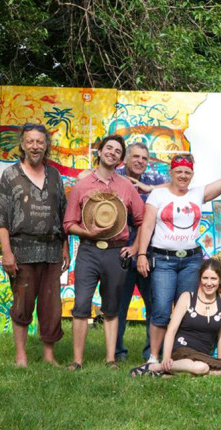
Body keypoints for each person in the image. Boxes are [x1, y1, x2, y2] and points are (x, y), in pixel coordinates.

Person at [136, 153, 221, 364]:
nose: (183, 176)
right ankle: (153, 357)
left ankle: (177, 353)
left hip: (191, 261)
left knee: (186, 310)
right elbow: (148, 225)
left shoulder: (197, 194)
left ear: (192, 175)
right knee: (161, 309)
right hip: (163, 260)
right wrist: (142, 254)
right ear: (171, 172)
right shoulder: (158, 195)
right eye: (179, 171)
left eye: (187, 172)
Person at [0, 123, 70, 367]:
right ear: (22, 145)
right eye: (30, 141)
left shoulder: (55, 175)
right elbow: (1, 219)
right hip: (21, 250)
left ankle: (48, 356)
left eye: (40, 141)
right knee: (22, 303)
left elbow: (63, 213)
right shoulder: (11, 175)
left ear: (46, 145)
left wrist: (65, 247)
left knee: (52, 306)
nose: (35, 146)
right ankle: (21, 356)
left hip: (52, 251)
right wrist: (7, 253)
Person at [63, 134, 145, 370]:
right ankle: (77, 361)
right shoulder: (82, 185)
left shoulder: (126, 186)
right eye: (108, 148)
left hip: (116, 253)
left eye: (117, 151)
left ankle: (111, 360)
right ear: (99, 152)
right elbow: (69, 223)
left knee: (111, 307)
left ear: (121, 159)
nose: (112, 152)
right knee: (80, 305)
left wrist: (135, 247)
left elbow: (141, 219)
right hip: (88, 251)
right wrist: (88, 233)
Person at [129, 258, 221, 377]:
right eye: (205, 278)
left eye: (213, 278)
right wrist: (166, 358)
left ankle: (165, 375)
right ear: (200, 278)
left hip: (202, 354)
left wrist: (220, 361)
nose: (209, 283)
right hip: (182, 350)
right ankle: (156, 367)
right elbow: (171, 330)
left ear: (220, 280)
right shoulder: (187, 297)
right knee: (201, 367)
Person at [114, 142, 168, 362]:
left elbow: (175, 184)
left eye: (144, 159)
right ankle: (116, 353)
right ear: (125, 159)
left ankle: (153, 353)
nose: (139, 162)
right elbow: (85, 176)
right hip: (121, 253)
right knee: (118, 306)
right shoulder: (114, 177)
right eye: (135, 157)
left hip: (149, 254)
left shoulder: (153, 179)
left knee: (156, 305)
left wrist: (148, 189)